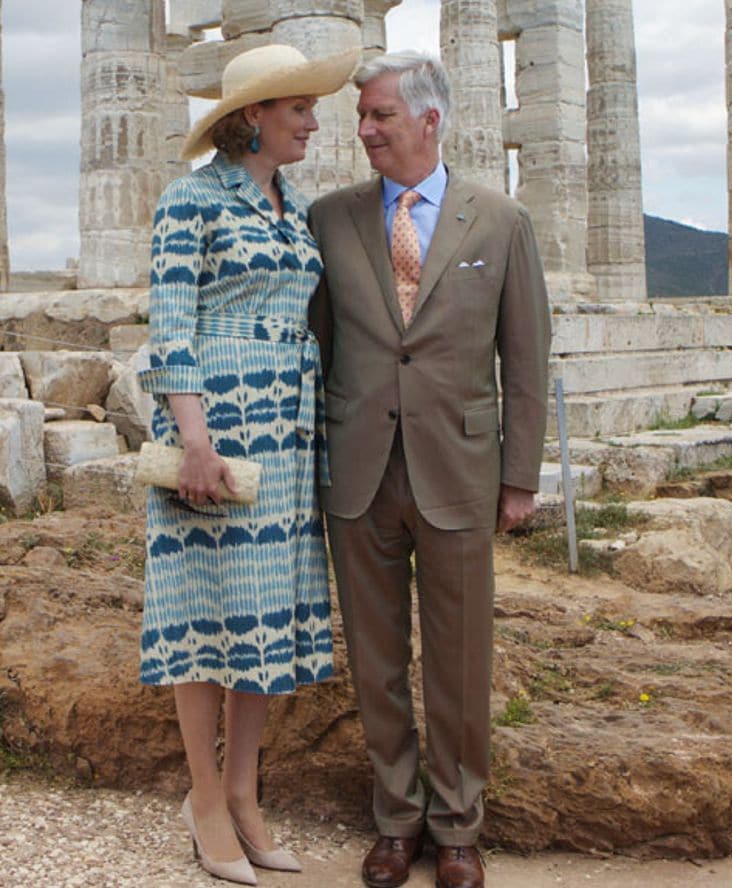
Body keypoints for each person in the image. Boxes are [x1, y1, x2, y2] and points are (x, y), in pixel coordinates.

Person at [308, 51, 551, 888]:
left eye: (379, 115)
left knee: (459, 657)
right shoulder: (329, 219)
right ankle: (395, 822)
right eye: (363, 118)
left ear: (429, 120)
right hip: (359, 471)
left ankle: (457, 828)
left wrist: (521, 478)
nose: (365, 130)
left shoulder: (500, 221)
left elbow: (524, 360)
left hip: (461, 470)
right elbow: (320, 346)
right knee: (375, 659)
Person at [138, 43, 360, 885]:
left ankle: (243, 795)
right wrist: (193, 437)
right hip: (217, 426)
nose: (312, 121)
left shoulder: (292, 208)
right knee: (204, 615)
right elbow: (170, 324)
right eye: (298, 108)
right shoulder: (189, 198)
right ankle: (202, 798)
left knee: (264, 619)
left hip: (290, 430)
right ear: (254, 117)